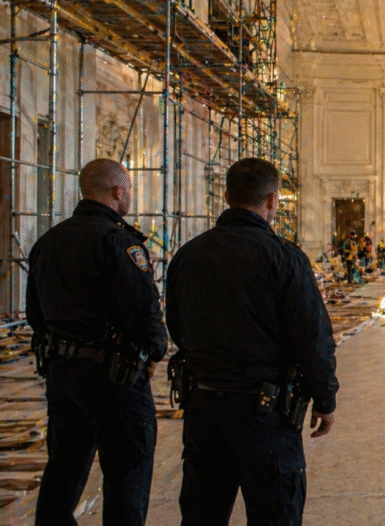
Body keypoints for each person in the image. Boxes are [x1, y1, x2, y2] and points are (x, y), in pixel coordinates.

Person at [165, 158, 338, 526]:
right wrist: (325, 399)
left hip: (204, 408)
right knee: (275, 515)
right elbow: (313, 338)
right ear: (273, 201)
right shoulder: (285, 259)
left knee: (201, 516)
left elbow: (176, 330)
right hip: (265, 413)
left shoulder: (187, 256)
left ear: (226, 196)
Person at [27, 158, 168, 526]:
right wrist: (155, 351)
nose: (130, 197)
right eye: (130, 191)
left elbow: (34, 314)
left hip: (61, 374)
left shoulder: (48, 241)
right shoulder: (118, 242)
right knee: (127, 473)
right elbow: (143, 309)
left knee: (64, 470)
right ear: (118, 192)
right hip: (113, 378)